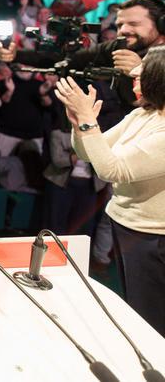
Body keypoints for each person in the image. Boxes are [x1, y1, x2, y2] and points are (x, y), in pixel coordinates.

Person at [54, 47, 165, 337]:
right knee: (135, 309)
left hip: (152, 238)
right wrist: (80, 125)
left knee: (149, 319)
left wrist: (88, 122)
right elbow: (90, 153)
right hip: (126, 225)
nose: (135, 71)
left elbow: (112, 169)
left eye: (145, 67)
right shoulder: (142, 114)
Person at [0, 0, 165, 126]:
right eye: (120, 25)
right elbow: (67, 59)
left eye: (134, 24)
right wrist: (16, 54)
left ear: (161, 24)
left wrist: (143, 72)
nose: (124, 30)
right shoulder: (118, 47)